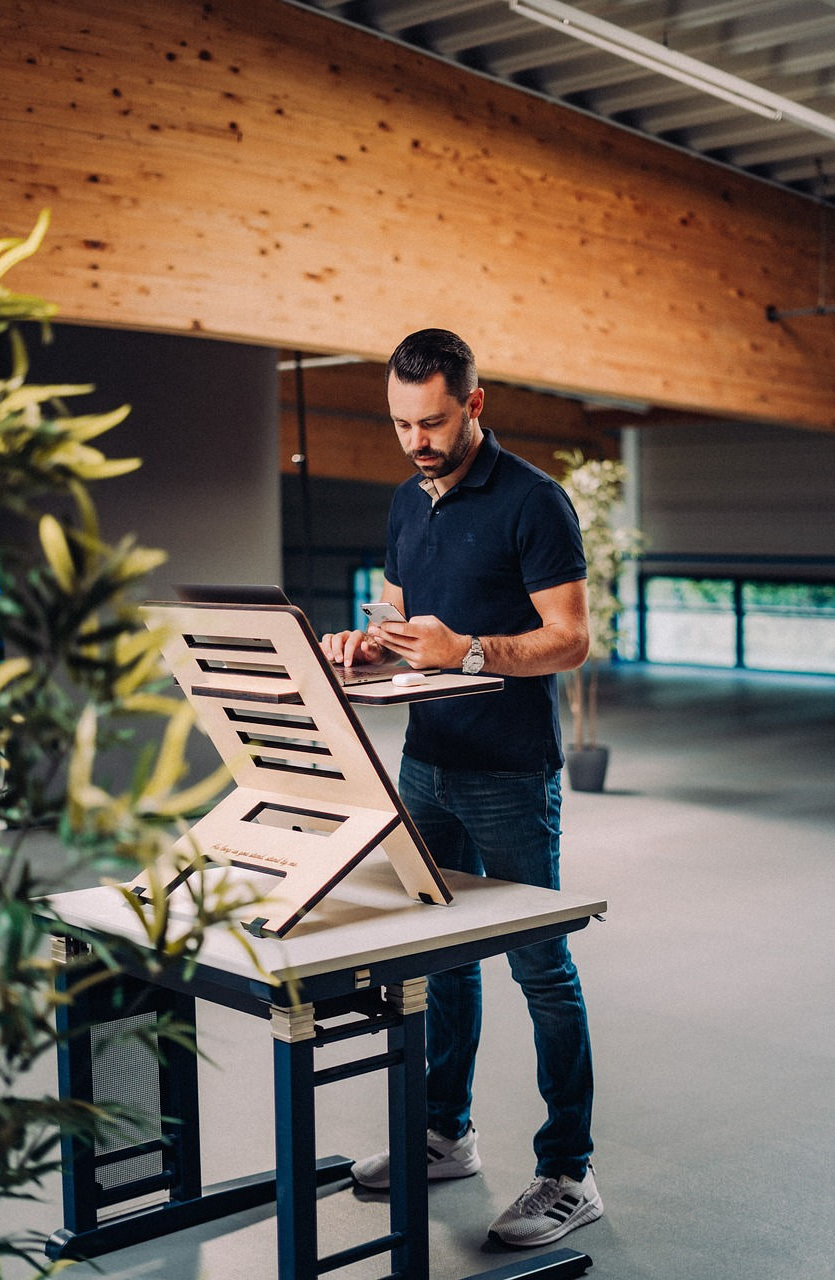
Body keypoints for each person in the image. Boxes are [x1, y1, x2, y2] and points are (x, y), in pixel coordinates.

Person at [321, 328, 603, 1249]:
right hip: (426, 763)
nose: (416, 441)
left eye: (433, 422)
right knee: (439, 958)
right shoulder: (407, 501)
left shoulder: (533, 500)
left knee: (541, 969)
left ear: (473, 404)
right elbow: (403, 625)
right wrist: (367, 645)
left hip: (510, 773)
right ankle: (447, 1132)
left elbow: (570, 638)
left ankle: (569, 1173)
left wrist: (471, 651)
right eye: (402, 423)